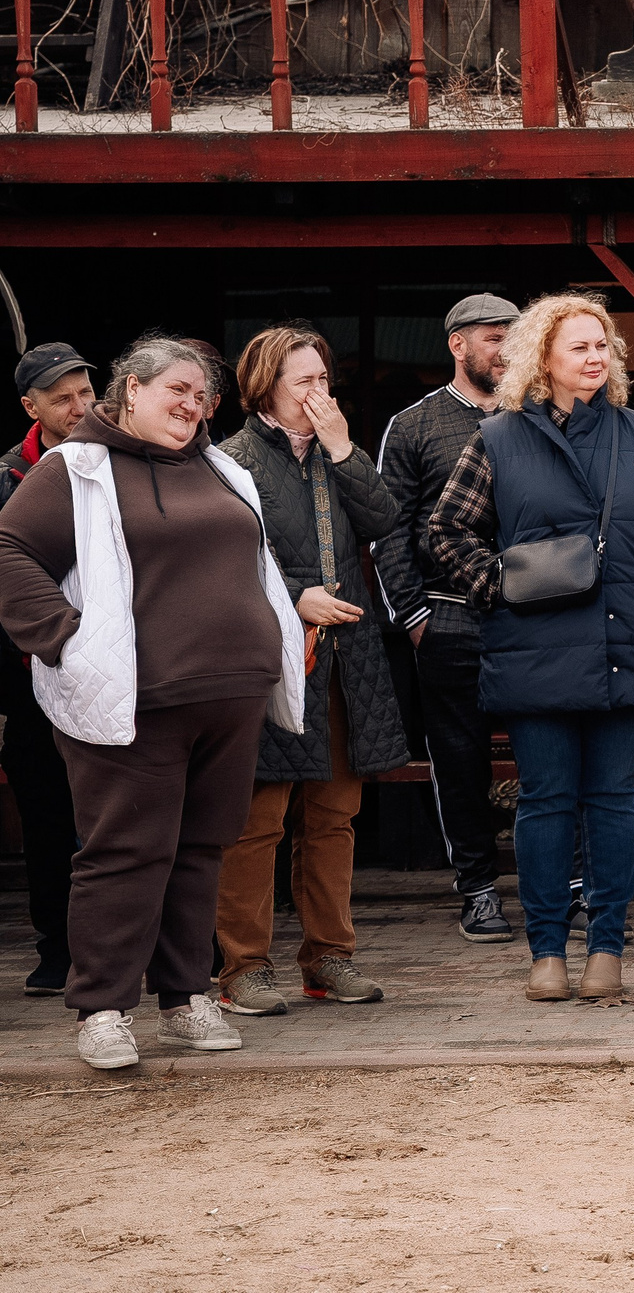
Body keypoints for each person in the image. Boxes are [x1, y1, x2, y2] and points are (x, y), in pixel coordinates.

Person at [0, 336, 303, 1071]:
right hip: (134, 699)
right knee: (124, 854)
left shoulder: (221, 465)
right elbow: (10, 550)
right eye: (177, 388)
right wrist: (64, 638)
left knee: (200, 850)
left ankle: (184, 997)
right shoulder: (75, 468)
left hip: (229, 696)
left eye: (202, 394)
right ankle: (102, 1008)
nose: (192, 404)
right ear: (129, 391)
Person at [425, 292, 634, 1005]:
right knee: (545, 801)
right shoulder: (498, 437)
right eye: (579, 345)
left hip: (623, 642)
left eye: (603, 344)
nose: (595, 356)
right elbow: (447, 530)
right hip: (534, 647)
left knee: (613, 800)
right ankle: (546, 949)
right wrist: (500, 586)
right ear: (541, 357)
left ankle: (606, 946)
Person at [212, 328, 408, 1016]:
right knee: (257, 818)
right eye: (304, 383)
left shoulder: (334, 453)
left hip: (344, 659)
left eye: (324, 380)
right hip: (270, 659)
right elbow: (223, 559)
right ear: (265, 386)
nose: (319, 394)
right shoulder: (230, 459)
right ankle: (244, 968)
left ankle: (329, 958)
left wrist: (344, 449)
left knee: (333, 817)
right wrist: (295, 595)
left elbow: (385, 517)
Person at [375, 293, 525, 943]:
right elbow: (388, 530)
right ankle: (479, 891)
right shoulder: (414, 425)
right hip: (450, 617)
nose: (506, 350)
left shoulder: (539, 417)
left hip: (533, 619)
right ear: (458, 345)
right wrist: (413, 616)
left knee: (549, 756)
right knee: (459, 764)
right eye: (494, 338)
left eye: (513, 338)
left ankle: (570, 889)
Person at [1, 343, 95, 996]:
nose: (80, 406)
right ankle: (56, 947)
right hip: (30, 668)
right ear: (31, 407)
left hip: (112, 664)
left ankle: (156, 943)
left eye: (86, 392)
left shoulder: (119, 458)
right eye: (63, 397)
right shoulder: (8, 473)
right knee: (45, 811)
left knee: (122, 809)